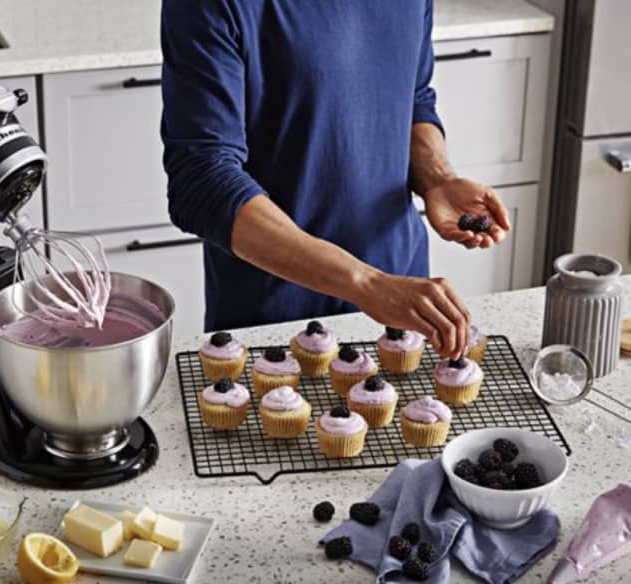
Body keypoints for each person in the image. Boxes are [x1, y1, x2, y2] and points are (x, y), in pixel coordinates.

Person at [160, 0, 511, 359]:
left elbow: (414, 98)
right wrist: (368, 284)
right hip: (272, 330)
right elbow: (202, 180)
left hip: (403, 310)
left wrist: (438, 178)